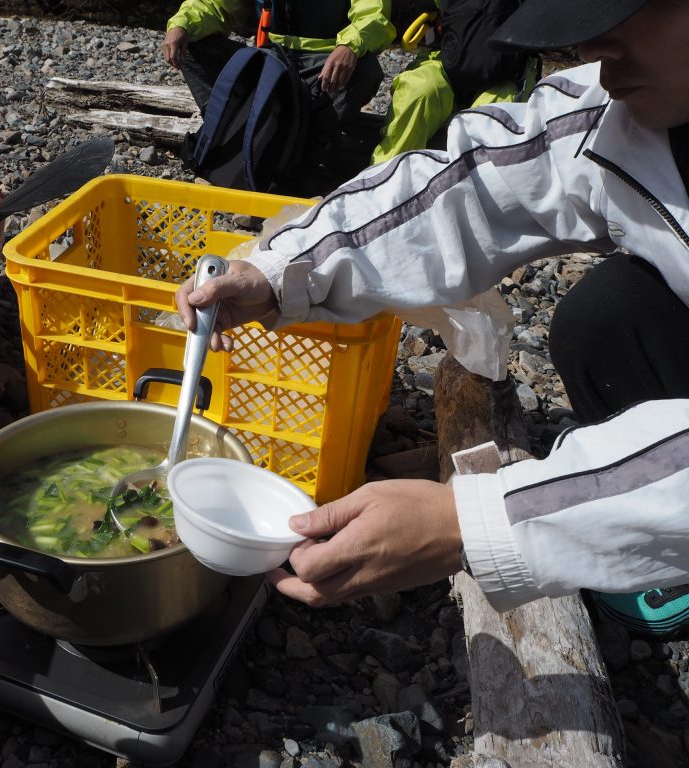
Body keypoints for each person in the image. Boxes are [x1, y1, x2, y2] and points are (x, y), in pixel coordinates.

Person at [175, 0, 689, 637]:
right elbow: (475, 184)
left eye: (623, 19)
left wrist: (472, 524)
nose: (595, 59)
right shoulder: (624, 108)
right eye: (580, 33)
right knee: (608, 318)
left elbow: (477, 522)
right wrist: (283, 271)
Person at [162, 0, 395, 179]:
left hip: (327, 62)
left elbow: (375, 18)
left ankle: (305, 156)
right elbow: (214, 5)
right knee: (191, 44)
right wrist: (182, 24)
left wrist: (350, 46)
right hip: (273, 59)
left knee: (366, 69)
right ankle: (230, 135)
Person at [370, 0, 540, 164]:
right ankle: (383, 179)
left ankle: (476, 188)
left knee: (496, 113)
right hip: (446, 56)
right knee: (419, 91)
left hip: (507, 72)